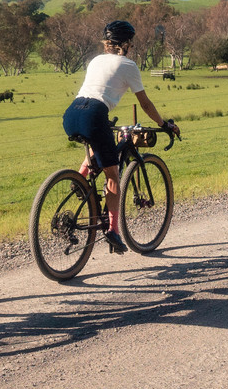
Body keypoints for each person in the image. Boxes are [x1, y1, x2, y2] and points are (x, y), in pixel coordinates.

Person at [60, 19, 177, 253]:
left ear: (107, 43)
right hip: (94, 114)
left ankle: (80, 180)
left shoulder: (95, 60)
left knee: (98, 144)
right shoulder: (128, 65)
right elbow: (144, 103)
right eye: (130, 43)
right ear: (125, 44)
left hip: (72, 113)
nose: (131, 47)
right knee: (112, 176)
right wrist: (163, 124)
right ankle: (114, 231)